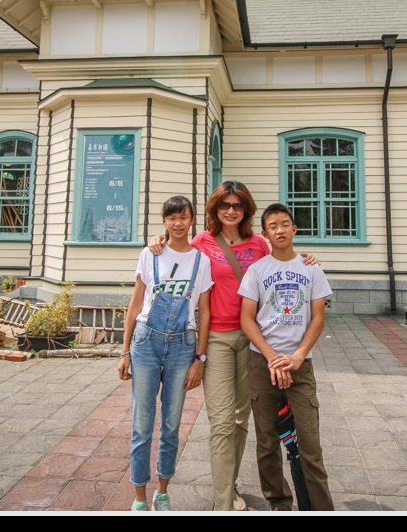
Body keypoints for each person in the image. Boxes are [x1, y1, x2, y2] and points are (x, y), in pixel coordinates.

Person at [148, 180, 318, 511]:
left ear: (246, 210)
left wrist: (307, 260)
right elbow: (175, 250)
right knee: (223, 421)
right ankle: (223, 503)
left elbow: (281, 265)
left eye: (237, 205)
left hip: (252, 340)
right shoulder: (202, 241)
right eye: (224, 205)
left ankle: (231, 483)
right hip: (215, 338)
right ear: (214, 209)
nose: (230, 210)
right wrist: (158, 240)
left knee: (242, 419)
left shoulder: (258, 244)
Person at [238, 202, 334, 511]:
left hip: (299, 365)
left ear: (295, 229)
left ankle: (319, 507)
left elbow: (317, 318)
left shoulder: (311, 268)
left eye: (285, 224)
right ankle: (279, 503)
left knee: (309, 443)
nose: (280, 230)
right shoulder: (257, 270)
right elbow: (247, 319)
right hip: (261, 363)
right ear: (264, 233)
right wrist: (271, 357)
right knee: (267, 441)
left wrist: (297, 356)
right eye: (273, 226)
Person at [120, 196, 213, 511]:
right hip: (146, 343)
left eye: (183, 217)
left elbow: (204, 312)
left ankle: (162, 494)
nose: (177, 223)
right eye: (172, 217)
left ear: (191, 221)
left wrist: (199, 359)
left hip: (182, 347)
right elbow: (135, 304)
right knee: (142, 424)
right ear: (164, 221)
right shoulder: (150, 253)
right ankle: (139, 500)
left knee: (171, 424)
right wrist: (124, 351)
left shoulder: (201, 261)